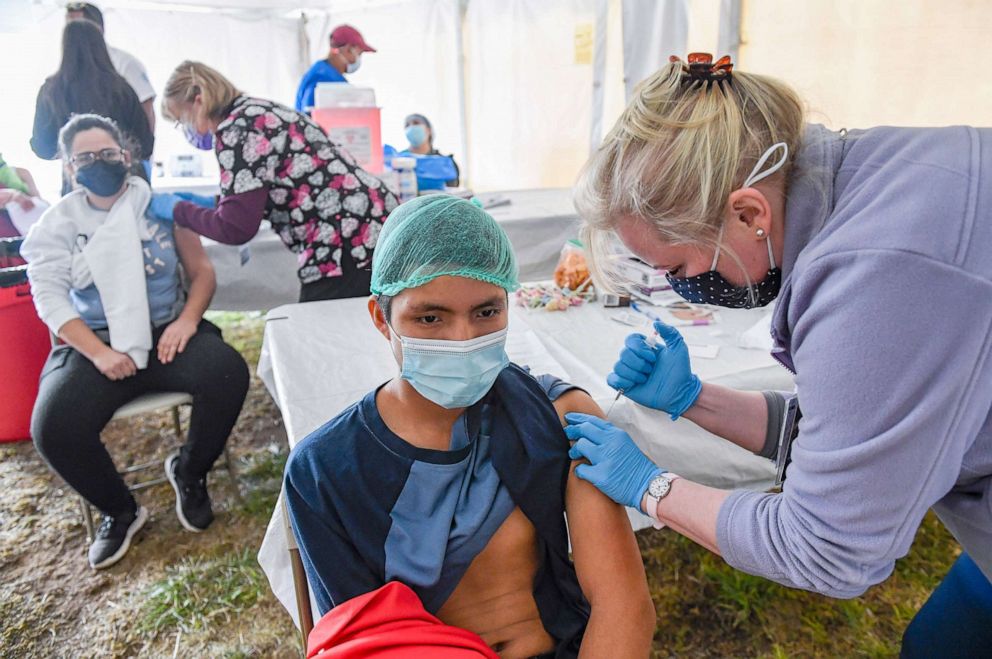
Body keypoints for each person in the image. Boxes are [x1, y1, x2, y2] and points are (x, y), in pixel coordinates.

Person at [566, 53, 992, 655]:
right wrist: (695, 400)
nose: (684, 286)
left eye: (680, 267)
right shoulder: (870, 173)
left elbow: (827, 548)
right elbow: (856, 440)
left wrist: (652, 486)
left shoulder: (878, 279)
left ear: (748, 213)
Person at [283, 195, 654, 658]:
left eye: (485, 312)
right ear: (382, 318)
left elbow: (622, 606)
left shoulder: (557, 416)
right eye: (430, 317)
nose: (463, 340)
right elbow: (362, 643)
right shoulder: (325, 472)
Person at [21, 114, 249, 570]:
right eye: (85, 157)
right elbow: (48, 298)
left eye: (107, 153)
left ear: (126, 156)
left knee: (228, 372)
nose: (98, 163)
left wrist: (187, 321)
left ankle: (190, 473)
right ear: (69, 167)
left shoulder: (161, 206)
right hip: (96, 344)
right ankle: (120, 510)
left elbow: (201, 272)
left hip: (167, 332)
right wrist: (99, 353)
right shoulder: (58, 223)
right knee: (52, 428)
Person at [151, 61, 399, 302]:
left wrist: (178, 210)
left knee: (322, 334)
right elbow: (263, 189)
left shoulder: (236, 130)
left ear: (198, 101)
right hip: (371, 223)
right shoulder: (256, 111)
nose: (184, 129)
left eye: (180, 120)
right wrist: (214, 203)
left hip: (347, 237)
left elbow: (235, 228)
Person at [30, 19, 153, 194]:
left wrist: (80, 156)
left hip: (78, 187)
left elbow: (42, 147)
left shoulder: (52, 91)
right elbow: (145, 144)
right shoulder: (122, 88)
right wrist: (113, 155)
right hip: (127, 186)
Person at [66, 2, 157, 135]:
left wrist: (143, 153)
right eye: (69, 27)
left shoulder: (125, 63)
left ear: (98, 28)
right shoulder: (68, 71)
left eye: (78, 26)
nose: (73, 33)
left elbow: (146, 109)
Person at [294, 25, 376, 114]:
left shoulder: (322, 71)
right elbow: (311, 118)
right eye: (359, 54)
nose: (358, 59)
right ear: (348, 49)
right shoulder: (323, 79)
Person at [404, 113, 461, 187]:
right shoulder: (399, 160)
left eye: (416, 123)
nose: (411, 127)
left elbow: (452, 193)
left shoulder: (444, 163)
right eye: (407, 125)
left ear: (429, 130)